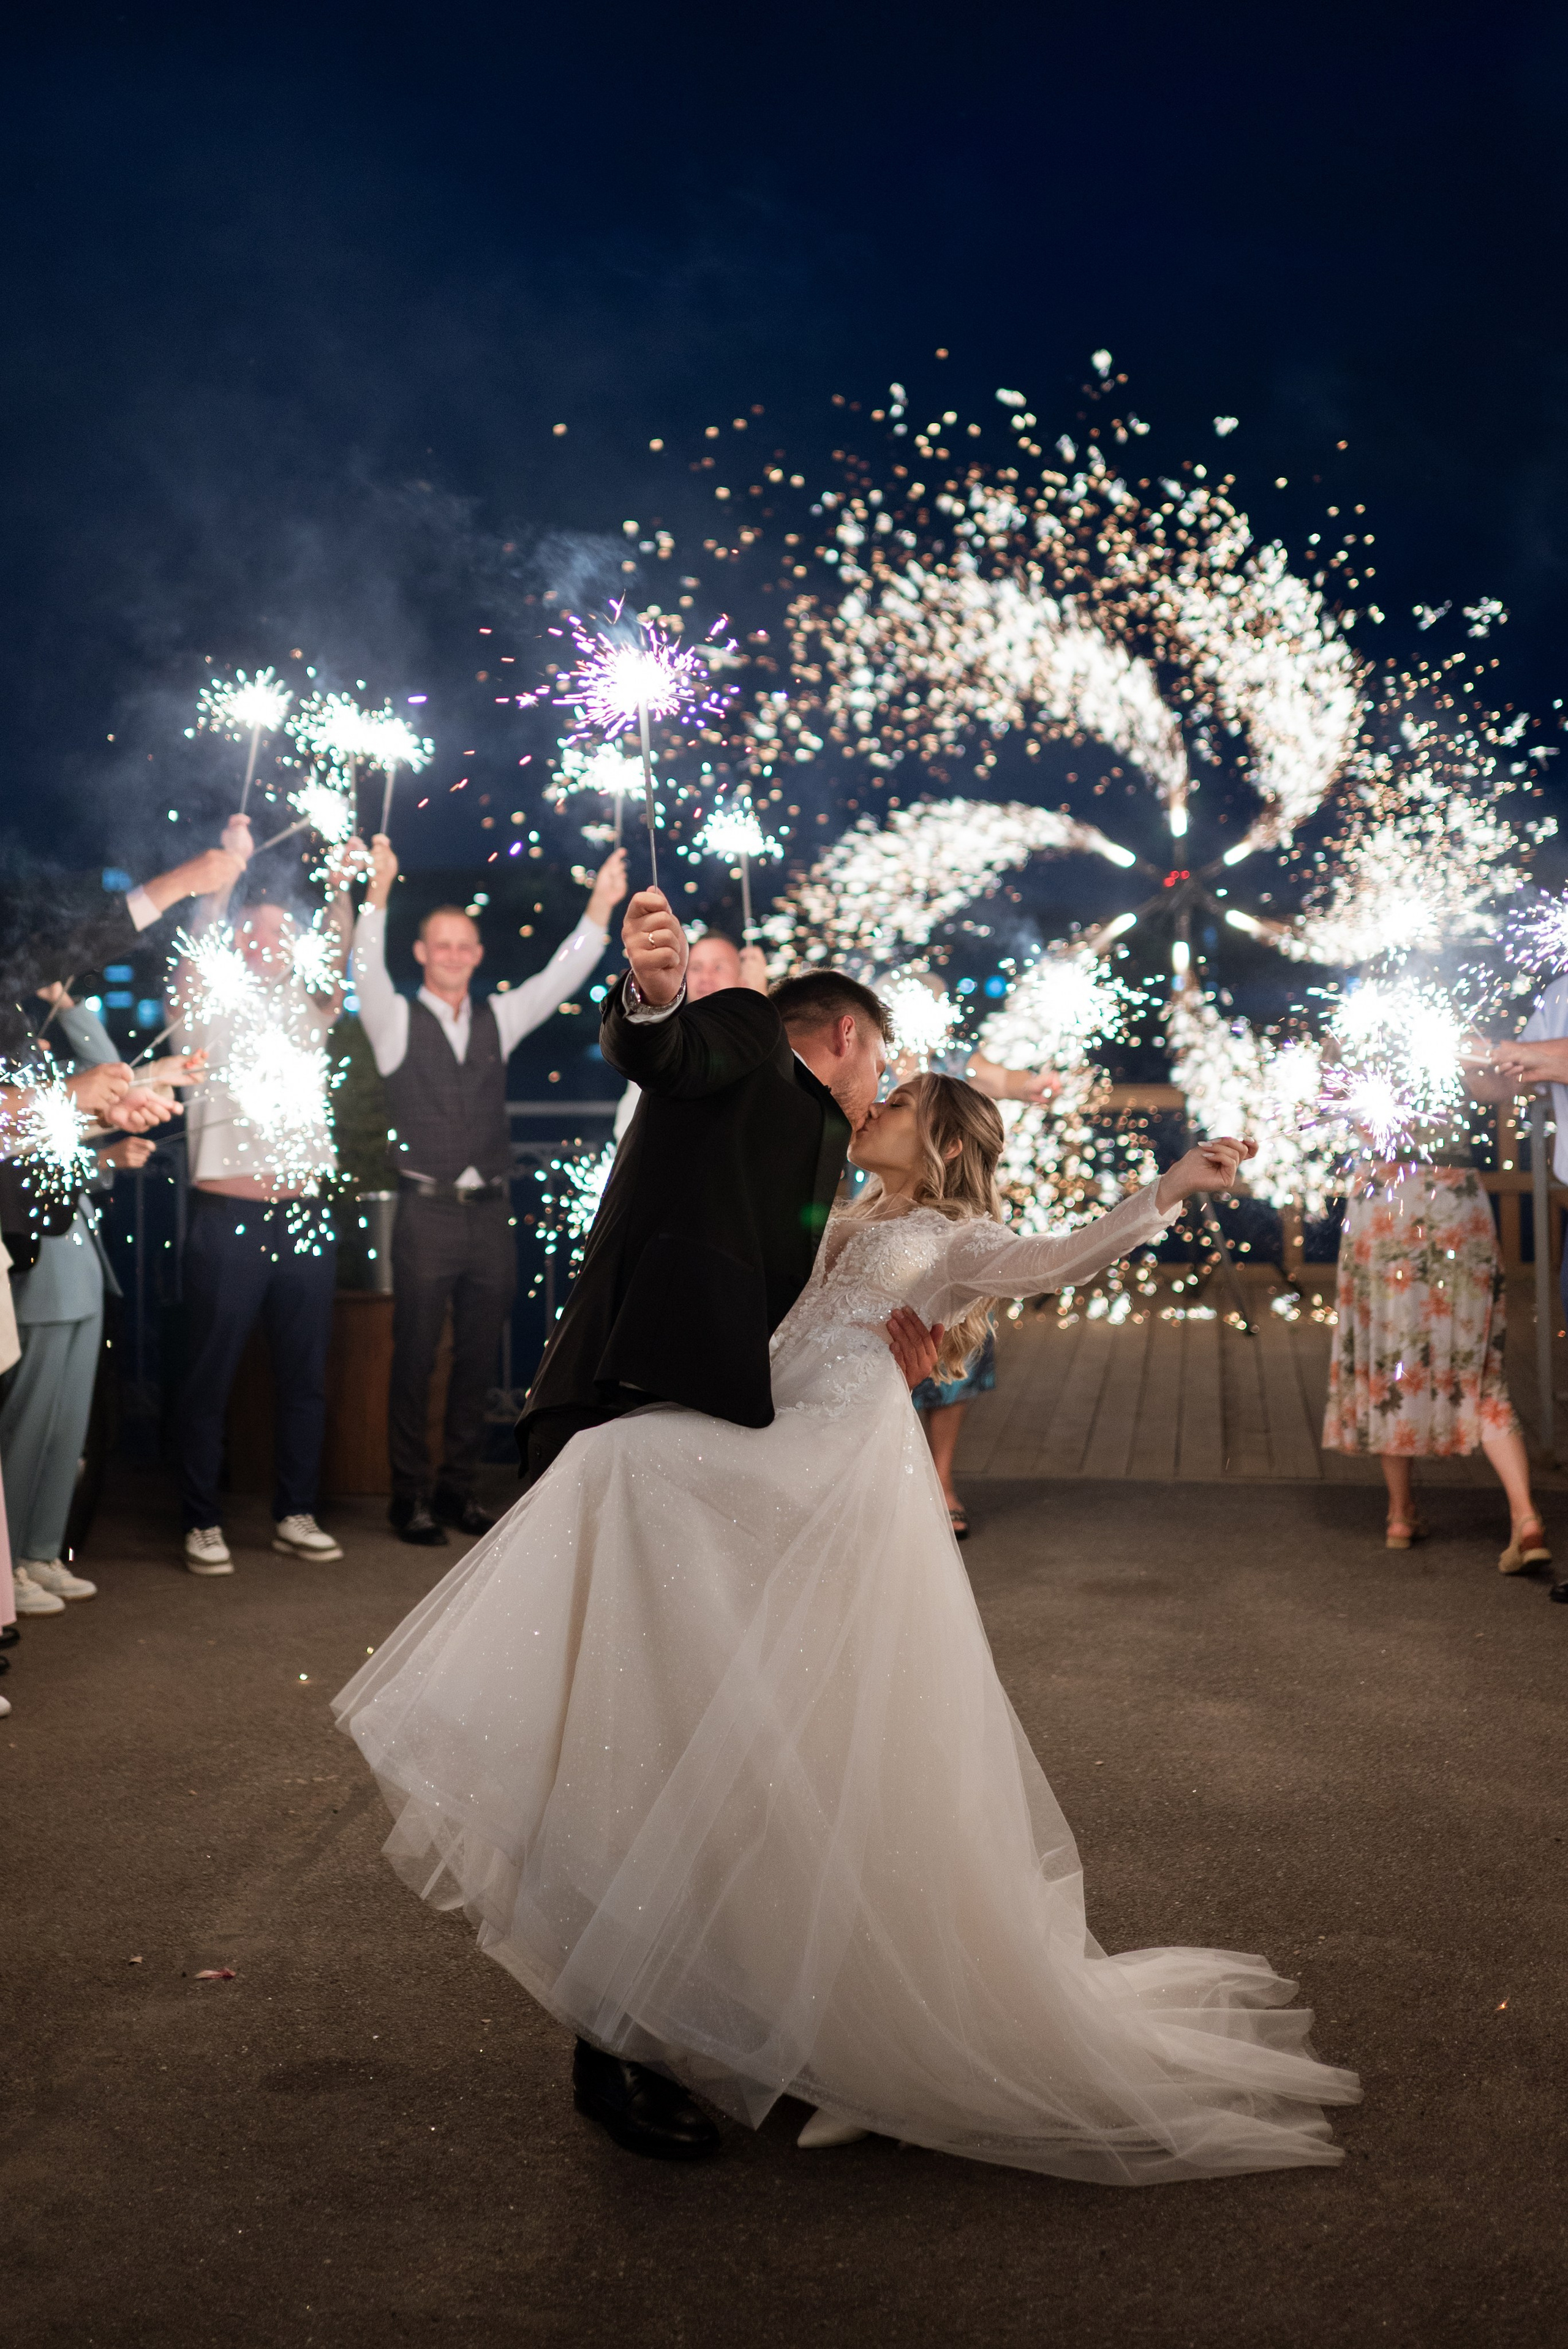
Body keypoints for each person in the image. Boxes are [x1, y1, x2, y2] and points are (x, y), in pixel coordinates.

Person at [335, 1054, 1355, 2184]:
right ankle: (836, 2030)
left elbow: (1052, 1259)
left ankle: (895, 2054)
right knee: (782, 1716)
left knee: (615, 1463)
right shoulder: (852, 1209)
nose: (877, 1107)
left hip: (835, 1454)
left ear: (946, 1144)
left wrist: (1168, 1187)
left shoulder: (958, 1235)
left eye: (903, 1101)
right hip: (781, 1433)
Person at [353, 835, 627, 1545]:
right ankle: (407, 1497)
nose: (452, 954)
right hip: (424, 1212)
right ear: (421, 952)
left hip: (488, 1215)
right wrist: (376, 893)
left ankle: (457, 1491)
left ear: (476, 953)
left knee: (478, 1359)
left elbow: (558, 980)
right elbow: (364, 971)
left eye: (463, 944)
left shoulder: (496, 1019)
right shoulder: (392, 1022)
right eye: (440, 944)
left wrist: (600, 908)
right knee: (414, 1358)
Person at [168, 821, 352, 1575]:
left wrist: (344, 886)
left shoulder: (310, 1013)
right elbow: (190, 959)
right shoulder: (203, 1007)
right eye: (254, 927)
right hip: (228, 1218)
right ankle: (201, 1520)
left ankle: (295, 1511)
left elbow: (337, 949)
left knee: (305, 1375)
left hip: (304, 1214)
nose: (268, 940)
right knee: (210, 1373)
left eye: (283, 930)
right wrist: (222, 880)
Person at [1321, 1055, 1548, 1577]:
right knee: (1479, 1369)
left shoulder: (1356, 1039)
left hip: (1385, 1201)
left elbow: (1345, 1113)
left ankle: (1401, 1514)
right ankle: (1527, 1517)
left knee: (1390, 1360)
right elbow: (1496, 1092)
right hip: (1454, 1202)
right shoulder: (1456, 1034)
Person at [1, 987, 166, 1615]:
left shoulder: (45, 1059)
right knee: (28, 1424)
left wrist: (103, 1158)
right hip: (43, 1262)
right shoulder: (17, 1076)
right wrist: (104, 1158)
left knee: (66, 1427)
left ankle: (43, 1549)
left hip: (82, 1257)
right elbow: (25, 1161)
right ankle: (10, 1560)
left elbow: (109, 1082)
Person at [611, 929, 768, 1141]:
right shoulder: (665, 1040)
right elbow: (629, 1125)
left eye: (719, 967)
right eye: (696, 968)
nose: (706, 977)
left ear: (743, 978)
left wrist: (759, 1002)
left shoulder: (764, 1033)